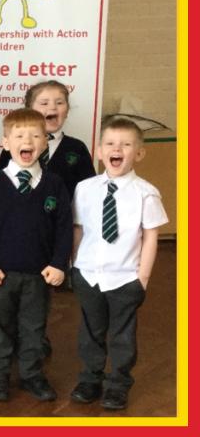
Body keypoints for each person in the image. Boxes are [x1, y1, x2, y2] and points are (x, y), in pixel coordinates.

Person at [69, 117, 168, 410]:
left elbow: (150, 236)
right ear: (99, 151)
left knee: (122, 335)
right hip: (88, 274)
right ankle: (90, 378)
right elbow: (78, 228)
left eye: (126, 145)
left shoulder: (145, 193)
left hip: (125, 277)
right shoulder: (85, 188)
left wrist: (143, 278)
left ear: (139, 153)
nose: (117, 149)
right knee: (90, 331)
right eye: (110, 144)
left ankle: (118, 383)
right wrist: (75, 264)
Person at [0, 109, 72, 403]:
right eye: (19, 136)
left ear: (44, 143)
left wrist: (58, 263)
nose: (27, 141)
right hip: (1, 275)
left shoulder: (54, 185)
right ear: (6, 143)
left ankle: (32, 375)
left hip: (38, 276)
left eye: (35, 135)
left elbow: (64, 228)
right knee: (1, 328)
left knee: (34, 328)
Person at [0, 80, 96, 200]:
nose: (53, 107)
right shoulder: (15, 146)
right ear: (30, 110)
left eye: (59, 103)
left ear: (67, 110)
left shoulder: (77, 148)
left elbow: (89, 191)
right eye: (44, 103)